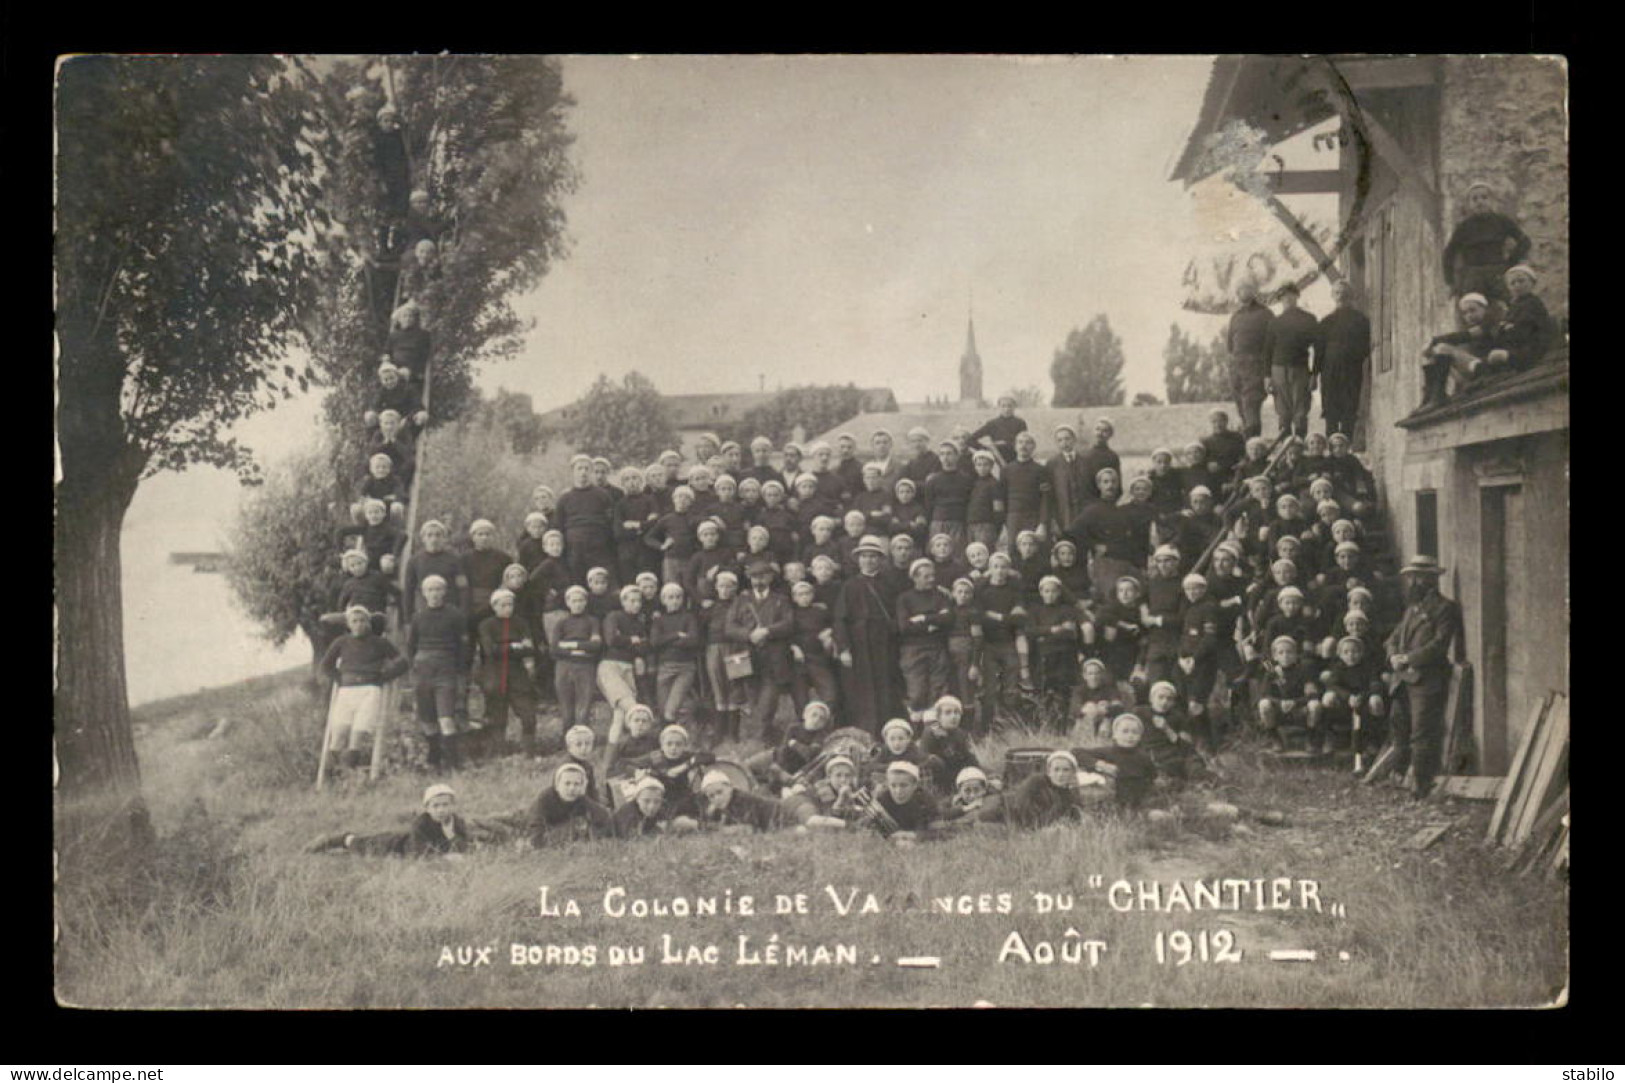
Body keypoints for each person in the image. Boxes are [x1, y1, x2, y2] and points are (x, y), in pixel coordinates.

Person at [1384, 555, 1463, 798]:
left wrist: (1409, 658)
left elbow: (1440, 645)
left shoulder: (1445, 608)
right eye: (1411, 576)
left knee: (1422, 732)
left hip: (1426, 681)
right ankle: (1399, 777)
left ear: (1432, 579)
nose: (1414, 581)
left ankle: (1420, 785)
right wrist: (1394, 655)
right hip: (1403, 679)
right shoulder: (1411, 608)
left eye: (1419, 576)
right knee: (1399, 728)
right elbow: (1393, 638)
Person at [318, 605, 410, 773]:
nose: (359, 624)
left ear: (369, 623)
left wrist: (383, 677)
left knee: (358, 731)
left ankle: (351, 772)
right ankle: (334, 772)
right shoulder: (341, 642)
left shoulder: (380, 642)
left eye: (362, 621)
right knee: (338, 731)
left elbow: (402, 663)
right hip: (347, 691)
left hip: (370, 690)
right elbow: (326, 666)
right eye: (354, 621)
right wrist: (341, 678)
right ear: (348, 624)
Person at [727, 559, 796, 743]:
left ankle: (756, 744)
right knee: (754, 703)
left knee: (767, 705)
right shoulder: (740, 600)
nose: (759, 580)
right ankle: (765, 742)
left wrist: (767, 631)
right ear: (749, 579)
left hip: (773, 660)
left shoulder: (781, 600)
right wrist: (749, 635)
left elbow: (789, 624)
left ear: (771, 577)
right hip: (746, 659)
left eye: (763, 576)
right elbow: (730, 627)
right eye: (754, 577)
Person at [407, 575, 470, 771]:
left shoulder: (455, 615)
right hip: (423, 669)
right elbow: (411, 646)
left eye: (438, 589)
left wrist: (461, 671)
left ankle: (452, 764)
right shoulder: (418, 617)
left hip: (446, 668)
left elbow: (464, 644)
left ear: (445, 592)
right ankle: (433, 759)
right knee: (428, 719)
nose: (434, 594)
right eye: (430, 590)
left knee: (446, 718)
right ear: (424, 594)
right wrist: (415, 668)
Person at [306, 784, 473, 857]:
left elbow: (465, 847)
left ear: (452, 806)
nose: (441, 810)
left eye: (445, 805)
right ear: (427, 808)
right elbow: (419, 852)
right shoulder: (421, 823)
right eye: (436, 806)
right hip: (397, 845)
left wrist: (451, 836)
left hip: (412, 846)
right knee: (364, 845)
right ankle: (337, 839)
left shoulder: (456, 822)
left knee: (355, 852)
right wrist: (444, 857)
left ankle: (342, 845)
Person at [475, 588, 541, 757]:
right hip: (494, 673)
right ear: (494, 606)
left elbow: (529, 648)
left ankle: (529, 751)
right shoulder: (486, 625)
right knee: (496, 716)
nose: (507, 608)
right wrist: (513, 646)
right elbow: (490, 650)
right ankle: (498, 752)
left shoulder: (521, 623)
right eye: (503, 605)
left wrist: (507, 648)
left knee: (528, 714)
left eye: (510, 604)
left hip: (517, 673)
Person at [1441, 181, 1532, 302]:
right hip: (1473, 275)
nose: (1480, 201)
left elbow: (1524, 241)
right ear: (1469, 204)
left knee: (1510, 304)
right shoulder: (1464, 227)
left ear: (1491, 201)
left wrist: (1511, 262)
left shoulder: (1501, 221)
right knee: (1472, 306)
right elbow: (1449, 253)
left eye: (1484, 197)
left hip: (1498, 272)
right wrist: (1450, 282)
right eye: (1474, 199)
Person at [1419, 293, 1499, 409]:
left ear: (1484, 309)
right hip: (1475, 368)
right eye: (1465, 313)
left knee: (1443, 348)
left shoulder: (1489, 325)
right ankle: (1430, 396)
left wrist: (1434, 340)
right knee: (1434, 353)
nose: (1469, 315)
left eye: (1473, 310)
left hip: (1487, 368)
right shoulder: (1475, 327)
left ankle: (1438, 396)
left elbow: (1462, 336)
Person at [895, 559, 952, 721]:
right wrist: (933, 624)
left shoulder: (940, 595)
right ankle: (916, 732)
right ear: (915, 577)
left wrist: (924, 618)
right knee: (917, 692)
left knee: (938, 690)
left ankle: (935, 730)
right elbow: (904, 627)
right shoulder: (904, 598)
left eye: (933, 576)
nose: (931, 579)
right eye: (926, 577)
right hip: (913, 650)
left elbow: (948, 618)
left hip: (937, 648)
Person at [1317, 280, 1373, 438]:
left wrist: (1353, 357)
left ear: (1351, 296)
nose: (1341, 296)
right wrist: (1314, 374)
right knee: (1330, 411)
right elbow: (1319, 350)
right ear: (1333, 296)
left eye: (1344, 293)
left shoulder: (1361, 321)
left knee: (1349, 409)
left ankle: (1345, 450)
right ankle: (1331, 450)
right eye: (1337, 293)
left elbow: (1366, 347)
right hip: (1329, 371)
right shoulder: (1326, 322)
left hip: (1351, 371)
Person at [1263, 283, 1318, 438]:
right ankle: (1284, 452)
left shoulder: (1308, 319)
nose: (1287, 298)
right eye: (1283, 296)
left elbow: (1319, 348)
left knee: (1300, 411)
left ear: (1297, 296)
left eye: (1291, 295)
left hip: (1300, 369)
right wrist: (1267, 376)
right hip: (1278, 370)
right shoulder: (1275, 322)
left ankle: (1300, 448)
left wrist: (1315, 374)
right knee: (1283, 412)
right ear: (1280, 299)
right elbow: (1267, 350)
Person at [981, 750, 1089, 828]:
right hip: (1000, 809)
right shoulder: (1036, 783)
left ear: (1073, 773)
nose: (1060, 775)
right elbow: (1030, 821)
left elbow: (1075, 818)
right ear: (1049, 771)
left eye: (1066, 770)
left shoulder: (1071, 791)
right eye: (1056, 770)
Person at [1074, 714, 1157, 811]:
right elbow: (1076, 752)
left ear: (1140, 737)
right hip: (1111, 798)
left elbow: (1152, 776)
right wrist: (1101, 765)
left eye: (1135, 732)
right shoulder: (1108, 752)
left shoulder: (1143, 757)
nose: (1130, 736)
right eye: (1125, 731)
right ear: (1115, 735)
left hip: (1137, 801)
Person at [558, 454, 619, 587]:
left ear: (591, 472)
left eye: (587, 469)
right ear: (573, 472)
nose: (583, 472)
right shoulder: (565, 498)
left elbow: (611, 522)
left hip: (599, 547)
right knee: (576, 582)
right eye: (579, 468)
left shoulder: (602, 495)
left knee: (602, 582)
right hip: (574, 548)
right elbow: (559, 525)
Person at [701, 570, 745, 745]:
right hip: (714, 647)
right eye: (721, 586)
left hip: (736, 647)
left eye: (729, 586)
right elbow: (702, 626)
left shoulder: (742, 604)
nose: (725, 590)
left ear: (735, 588)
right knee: (717, 685)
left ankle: (733, 733)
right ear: (716, 588)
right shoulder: (711, 607)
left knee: (735, 686)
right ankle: (719, 733)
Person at [550, 585, 602, 733]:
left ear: (585, 602)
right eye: (574, 601)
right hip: (564, 666)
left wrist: (569, 645)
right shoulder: (561, 623)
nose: (577, 604)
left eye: (581, 600)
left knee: (584, 707)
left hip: (586, 666)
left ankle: (583, 739)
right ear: (568, 602)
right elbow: (554, 649)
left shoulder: (593, 621)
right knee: (566, 707)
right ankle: (567, 740)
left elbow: (595, 646)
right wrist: (580, 649)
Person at [650, 581, 701, 728]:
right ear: (663, 600)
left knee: (670, 711)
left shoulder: (689, 617)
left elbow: (693, 640)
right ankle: (668, 741)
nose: (675, 601)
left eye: (678, 597)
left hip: (685, 667)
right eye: (670, 597)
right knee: (662, 709)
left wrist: (666, 642)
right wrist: (677, 635)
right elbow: (654, 642)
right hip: (665, 667)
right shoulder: (659, 620)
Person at [527, 763, 615, 847]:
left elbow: (605, 818)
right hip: (539, 828)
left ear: (582, 787)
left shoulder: (582, 799)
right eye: (567, 783)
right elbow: (535, 826)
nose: (572, 788)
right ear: (557, 785)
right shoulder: (545, 799)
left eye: (576, 784)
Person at [674, 770, 785, 834]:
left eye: (719, 792)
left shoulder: (742, 799)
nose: (717, 798)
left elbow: (745, 829)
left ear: (730, 788)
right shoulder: (720, 805)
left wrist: (699, 825)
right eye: (711, 796)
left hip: (785, 813)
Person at [1494, 264, 1556, 371]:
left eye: (1521, 281)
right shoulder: (1514, 306)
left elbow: (1527, 327)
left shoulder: (1533, 303)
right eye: (1512, 283)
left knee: (1498, 357)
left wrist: (1511, 327)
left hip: (1532, 346)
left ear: (1532, 283)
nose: (1517, 285)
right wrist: (1504, 327)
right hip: (1518, 345)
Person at [923, 441, 974, 558]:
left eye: (949, 454)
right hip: (938, 522)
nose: (945, 458)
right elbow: (928, 505)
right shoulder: (933, 480)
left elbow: (968, 503)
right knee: (937, 555)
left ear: (957, 456)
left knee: (957, 556)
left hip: (958, 523)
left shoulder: (966, 479)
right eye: (942, 454)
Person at [966, 394, 1029, 465]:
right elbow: (970, 440)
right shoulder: (992, 424)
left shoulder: (1020, 423)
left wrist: (1007, 444)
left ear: (1014, 407)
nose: (1006, 409)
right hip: (997, 460)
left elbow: (1025, 442)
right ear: (998, 407)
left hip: (1016, 458)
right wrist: (987, 449)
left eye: (1009, 406)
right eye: (1003, 406)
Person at [1078, 419, 1121, 503]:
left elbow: (1118, 486)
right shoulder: (1083, 455)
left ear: (1110, 435)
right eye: (1097, 429)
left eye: (1105, 431)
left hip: (1107, 503)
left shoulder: (1112, 456)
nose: (1100, 433)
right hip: (1087, 504)